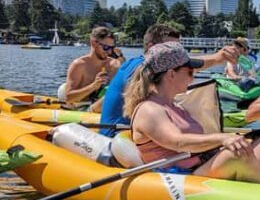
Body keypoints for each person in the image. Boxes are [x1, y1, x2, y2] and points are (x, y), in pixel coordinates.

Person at [124, 42, 260, 187]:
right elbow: (177, 142)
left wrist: (219, 57)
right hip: (184, 177)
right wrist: (222, 138)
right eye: (190, 72)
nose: (193, 77)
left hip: (204, 165)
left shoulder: (174, 104)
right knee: (236, 155)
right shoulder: (149, 109)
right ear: (171, 74)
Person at [100, 24, 239, 135]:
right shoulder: (139, 67)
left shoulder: (156, 68)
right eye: (170, 47)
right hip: (119, 137)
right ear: (150, 47)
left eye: (178, 48)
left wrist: (217, 58)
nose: (176, 52)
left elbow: (183, 67)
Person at [64, 27, 125, 112]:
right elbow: (68, 97)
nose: (109, 52)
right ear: (94, 43)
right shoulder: (79, 65)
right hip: (83, 110)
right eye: (106, 48)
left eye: (112, 48)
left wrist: (121, 57)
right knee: (111, 96)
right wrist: (94, 86)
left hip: (106, 109)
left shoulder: (114, 64)